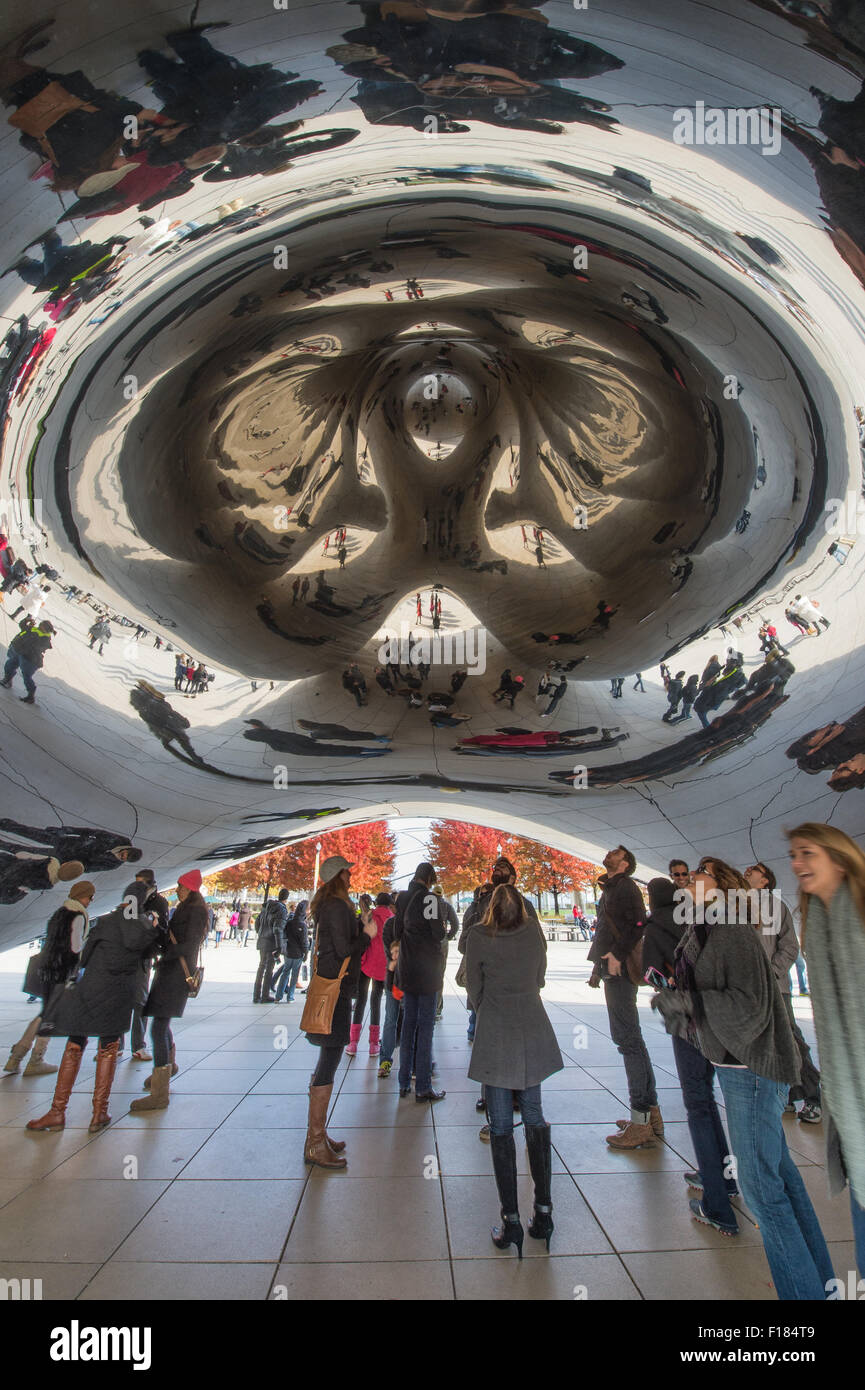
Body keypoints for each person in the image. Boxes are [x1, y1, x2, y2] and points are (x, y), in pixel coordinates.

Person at [653, 856, 835, 1300]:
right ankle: (823, 1285)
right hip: (739, 1066)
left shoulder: (731, 930)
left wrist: (689, 1004)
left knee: (762, 1195)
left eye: (701, 874)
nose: (690, 879)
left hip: (751, 1071)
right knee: (783, 1181)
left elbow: (751, 1004)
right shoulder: (705, 928)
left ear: (723, 887)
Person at [466, 883, 563, 1256]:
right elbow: (540, 977)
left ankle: (510, 1221)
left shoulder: (478, 935)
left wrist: (489, 1005)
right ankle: (544, 1212)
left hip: (496, 1033)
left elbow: (474, 988)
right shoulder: (534, 934)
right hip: (532, 1028)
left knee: (501, 1125)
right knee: (535, 1117)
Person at [787, 823, 865, 1276]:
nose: (797, 863)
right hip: (851, 1107)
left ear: (839, 858)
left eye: (807, 853)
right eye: (794, 854)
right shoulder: (818, 921)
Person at [27, 881, 159, 1133]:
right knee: (109, 1049)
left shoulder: (107, 922)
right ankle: (99, 1111)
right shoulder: (145, 929)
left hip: (90, 991)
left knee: (75, 1046)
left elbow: (84, 957)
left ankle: (57, 1112)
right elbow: (150, 957)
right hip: (119, 995)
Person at [303, 856, 376, 1168]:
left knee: (328, 1059)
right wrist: (367, 933)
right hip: (335, 990)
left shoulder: (334, 905)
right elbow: (344, 949)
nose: (351, 874)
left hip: (336, 987)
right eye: (347, 871)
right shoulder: (336, 907)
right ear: (338, 876)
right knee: (330, 1059)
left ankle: (318, 1135)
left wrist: (359, 924)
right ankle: (315, 1142)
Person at [588, 845, 660, 1148]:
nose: (608, 855)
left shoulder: (627, 887)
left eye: (614, 853)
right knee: (631, 1039)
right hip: (609, 967)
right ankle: (650, 1114)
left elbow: (639, 924)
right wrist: (597, 967)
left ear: (625, 862)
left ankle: (641, 1120)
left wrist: (616, 955)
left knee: (627, 1040)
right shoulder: (612, 887)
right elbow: (607, 927)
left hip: (618, 970)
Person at [744, 863, 821, 1123]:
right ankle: (787, 1095)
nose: (747, 871)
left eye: (754, 870)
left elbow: (789, 947)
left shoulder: (776, 907)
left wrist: (772, 973)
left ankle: (812, 1097)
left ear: (766, 881)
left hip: (775, 989)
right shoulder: (737, 906)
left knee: (791, 1041)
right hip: (749, 990)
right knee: (764, 1045)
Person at [130, 869, 209, 1114]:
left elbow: (191, 943)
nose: (178, 890)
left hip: (176, 973)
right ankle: (166, 1068)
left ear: (191, 889)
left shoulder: (195, 910)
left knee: (158, 1027)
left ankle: (159, 1090)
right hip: (169, 970)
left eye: (182, 887)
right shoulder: (185, 908)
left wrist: (166, 953)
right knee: (161, 1023)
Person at [4, 880, 95, 1076]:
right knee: (49, 1016)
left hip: (46, 969)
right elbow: (76, 947)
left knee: (46, 1012)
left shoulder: (59, 913)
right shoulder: (77, 916)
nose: (90, 901)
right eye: (90, 897)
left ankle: (17, 1056)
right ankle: (35, 1060)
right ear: (85, 896)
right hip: (61, 972)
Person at [394, 862, 446, 1102]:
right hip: (427, 971)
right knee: (426, 1027)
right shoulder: (430, 900)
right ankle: (423, 1085)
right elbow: (439, 933)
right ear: (429, 879)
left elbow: (396, 931)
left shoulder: (402, 898)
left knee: (408, 1025)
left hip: (407, 969)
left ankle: (403, 1082)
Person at [129, 868, 169, 1061]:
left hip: (144, 954)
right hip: (126, 953)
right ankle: (115, 1042)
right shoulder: (132, 900)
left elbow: (162, 930)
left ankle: (138, 1044)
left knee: (139, 1001)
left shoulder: (159, 903)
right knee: (121, 998)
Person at [348, 892, 388, 1055]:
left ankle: (353, 1042)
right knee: (376, 1002)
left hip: (366, 964)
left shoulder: (369, 916)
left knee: (360, 1001)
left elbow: (362, 937)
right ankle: (373, 1043)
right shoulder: (391, 918)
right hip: (382, 965)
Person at [1, 617, 55, 703]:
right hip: (19, 653)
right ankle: (7, 679)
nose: (39, 626)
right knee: (9, 665)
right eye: (40, 624)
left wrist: (22, 648)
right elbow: (22, 625)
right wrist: (27, 620)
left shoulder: (45, 639)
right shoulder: (33, 629)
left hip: (30, 660)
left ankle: (31, 695)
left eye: (42, 626)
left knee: (26, 676)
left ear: (45, 629)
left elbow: (33, 647)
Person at [376, 893, 400, 1078]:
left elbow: (387, 952)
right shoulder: (412, 925)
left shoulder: (388, 924)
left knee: (390, 1019)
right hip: (408, 980)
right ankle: (415, 1063)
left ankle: (385, 1060)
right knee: (409, 1020)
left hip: (391, 977)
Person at [254, 889, 288, 1003]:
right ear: (286, 898)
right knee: (269, 970)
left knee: (261, 967)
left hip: (262, 939)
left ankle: (256, 995)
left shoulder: (266, 907)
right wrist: (279, 946)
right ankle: (264, 995)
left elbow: (257, 922)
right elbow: (278, 929)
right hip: (272, 942)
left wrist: (260, 933)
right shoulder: (281, 909)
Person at [274, 898, 308, 1003]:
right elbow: (304, 941)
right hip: (298, 953)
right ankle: (290, 996)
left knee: (285, 973)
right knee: (294, 975)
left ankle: (278, 996)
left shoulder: (290, 922)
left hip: (288, 951)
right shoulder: (302, 925)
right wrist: (305, 952)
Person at [433, 884, 459, 1018]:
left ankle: (428, 1006)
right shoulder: (447, 906)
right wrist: (448, 936)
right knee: (439, 974)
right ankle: (437, 1009)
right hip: (442, 941)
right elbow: (455, 924)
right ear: (442, 894)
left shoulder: (427, 905)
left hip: (428, 941)